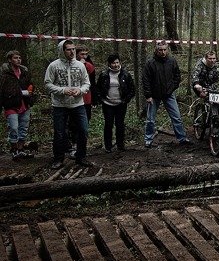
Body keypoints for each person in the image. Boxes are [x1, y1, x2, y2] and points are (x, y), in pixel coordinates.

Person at [44, 40, 92, 169]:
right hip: (60, 104)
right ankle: (58, 159)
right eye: (68, 49)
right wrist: (62, 90)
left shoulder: (80, 66)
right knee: (59, 133)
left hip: (78, 104)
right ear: (62, 51)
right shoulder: (54, 66)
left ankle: (81, 156)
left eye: (73, 49)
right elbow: (48, 84)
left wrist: (80, 90)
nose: (72, 52)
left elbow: (86, 83)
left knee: (83, 130)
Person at [142, 41, 192, 147]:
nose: (163, 52)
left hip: (168, 94)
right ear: (156, 50)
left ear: (167, 50)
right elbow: (145, 80)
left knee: (176, 117)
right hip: (154, 95)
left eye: (165, 50)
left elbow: (177, 76)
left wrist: (172, 87)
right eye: (161, 50)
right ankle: (148, 139)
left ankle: (182, 138)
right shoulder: (150, 63)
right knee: (150, 119)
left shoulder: (172, 61)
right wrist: (148, 95)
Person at [192, 50, 219, 134]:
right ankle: (204, 120)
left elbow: (217, 80)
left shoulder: (216, 67)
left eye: (214, 58)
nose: (212, 60)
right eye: (210, 58)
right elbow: (195, 75)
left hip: (210, 88)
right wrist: (197, 84)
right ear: (206, 58)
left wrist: (211, 88)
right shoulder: (200, 65)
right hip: (199, 86)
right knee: (206, 101)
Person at [97, 54, 135, 153]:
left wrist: (126, 99)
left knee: (120, 124)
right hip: (107, 103)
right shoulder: (104, 74)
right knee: (108, 124)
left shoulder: (125, 74)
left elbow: (132, 89)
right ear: (109, 64)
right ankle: (108, 146)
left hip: (121, 104)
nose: (116, 65)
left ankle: (120, 145)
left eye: (117, 62)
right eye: (113, 63)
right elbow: (98, 88)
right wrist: (101, 99)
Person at [0, 51, 34, 160]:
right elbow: (3, 90)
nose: (18, 60)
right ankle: (14, 149)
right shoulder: (5, 74)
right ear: (10, 59)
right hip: (11, 104)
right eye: (15, 58)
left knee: (23, 128)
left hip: (25, 103)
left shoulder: (24, 72)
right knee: (13, 128)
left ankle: (21, 149)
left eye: (19, 57)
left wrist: (30, 90)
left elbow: (31, 83)